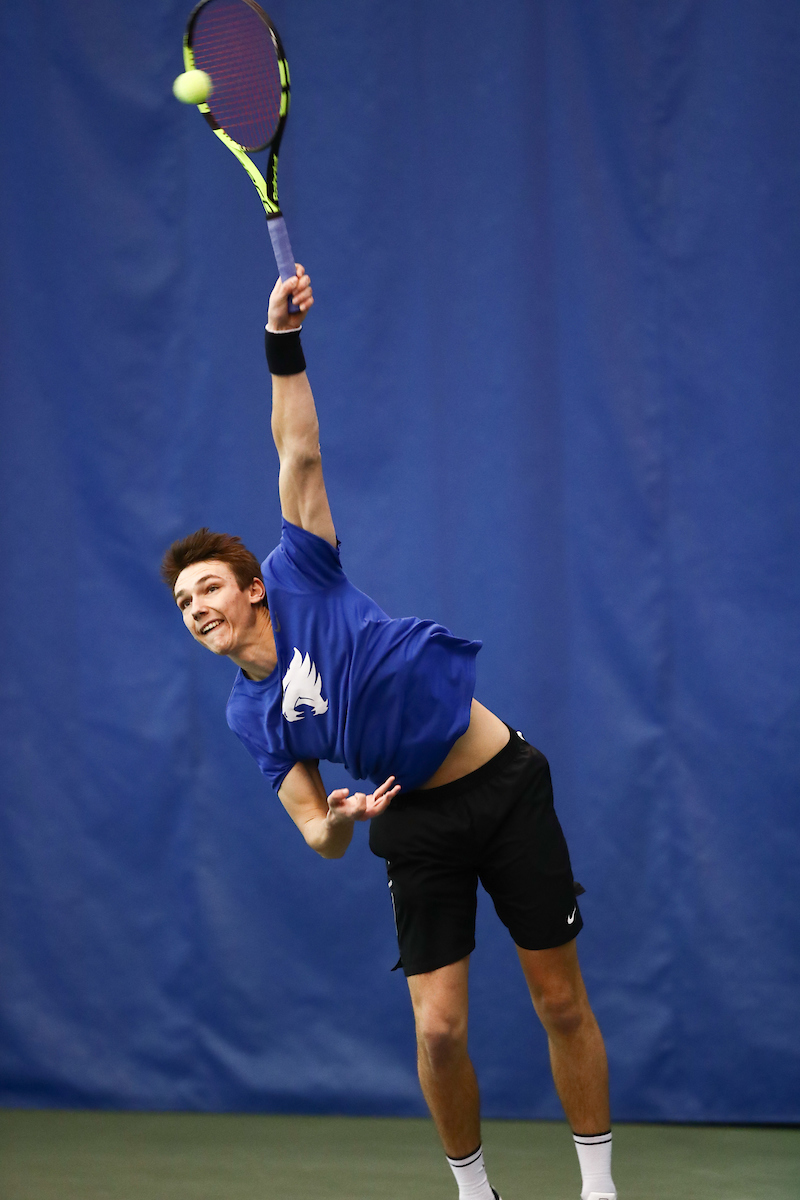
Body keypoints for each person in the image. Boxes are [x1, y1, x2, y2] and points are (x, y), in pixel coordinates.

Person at [161, 266, 617, 1200]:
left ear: (249, 587)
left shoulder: (302, 569)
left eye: (207, 585)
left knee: (559, 1000)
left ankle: (599, 1187)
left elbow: (299, 449)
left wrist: (280, 341)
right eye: (181, 601)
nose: (197, 604)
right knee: (439, 1028)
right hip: (410, 821)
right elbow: (315, 837)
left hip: (503, 782)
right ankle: (474, 1191)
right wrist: (338, 816)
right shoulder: (252, 715)